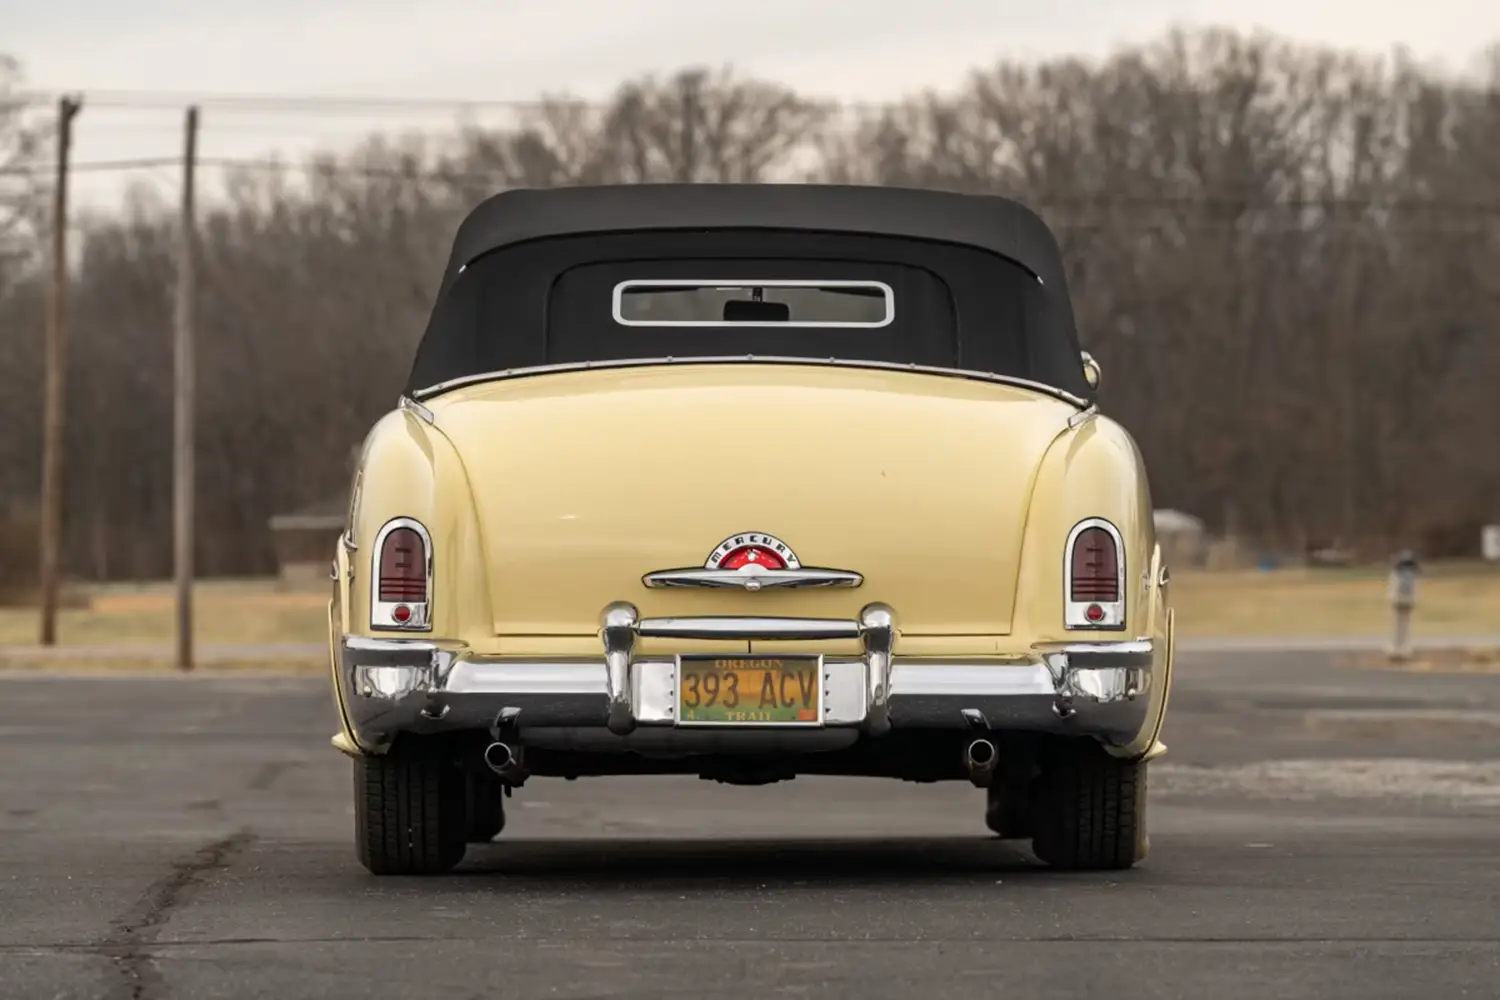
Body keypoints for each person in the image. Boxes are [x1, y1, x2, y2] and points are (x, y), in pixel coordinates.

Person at [1388, 549, 1421, 660]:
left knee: (1397, 625)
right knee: (1406, 625)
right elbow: (1414, 589)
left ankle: (1396, 648)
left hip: (1398, 601)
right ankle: (1404, 648)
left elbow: (1393, 588)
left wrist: (1392, 599)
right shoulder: (1412, 574)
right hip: (1408, 601)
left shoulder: (1396, 573)